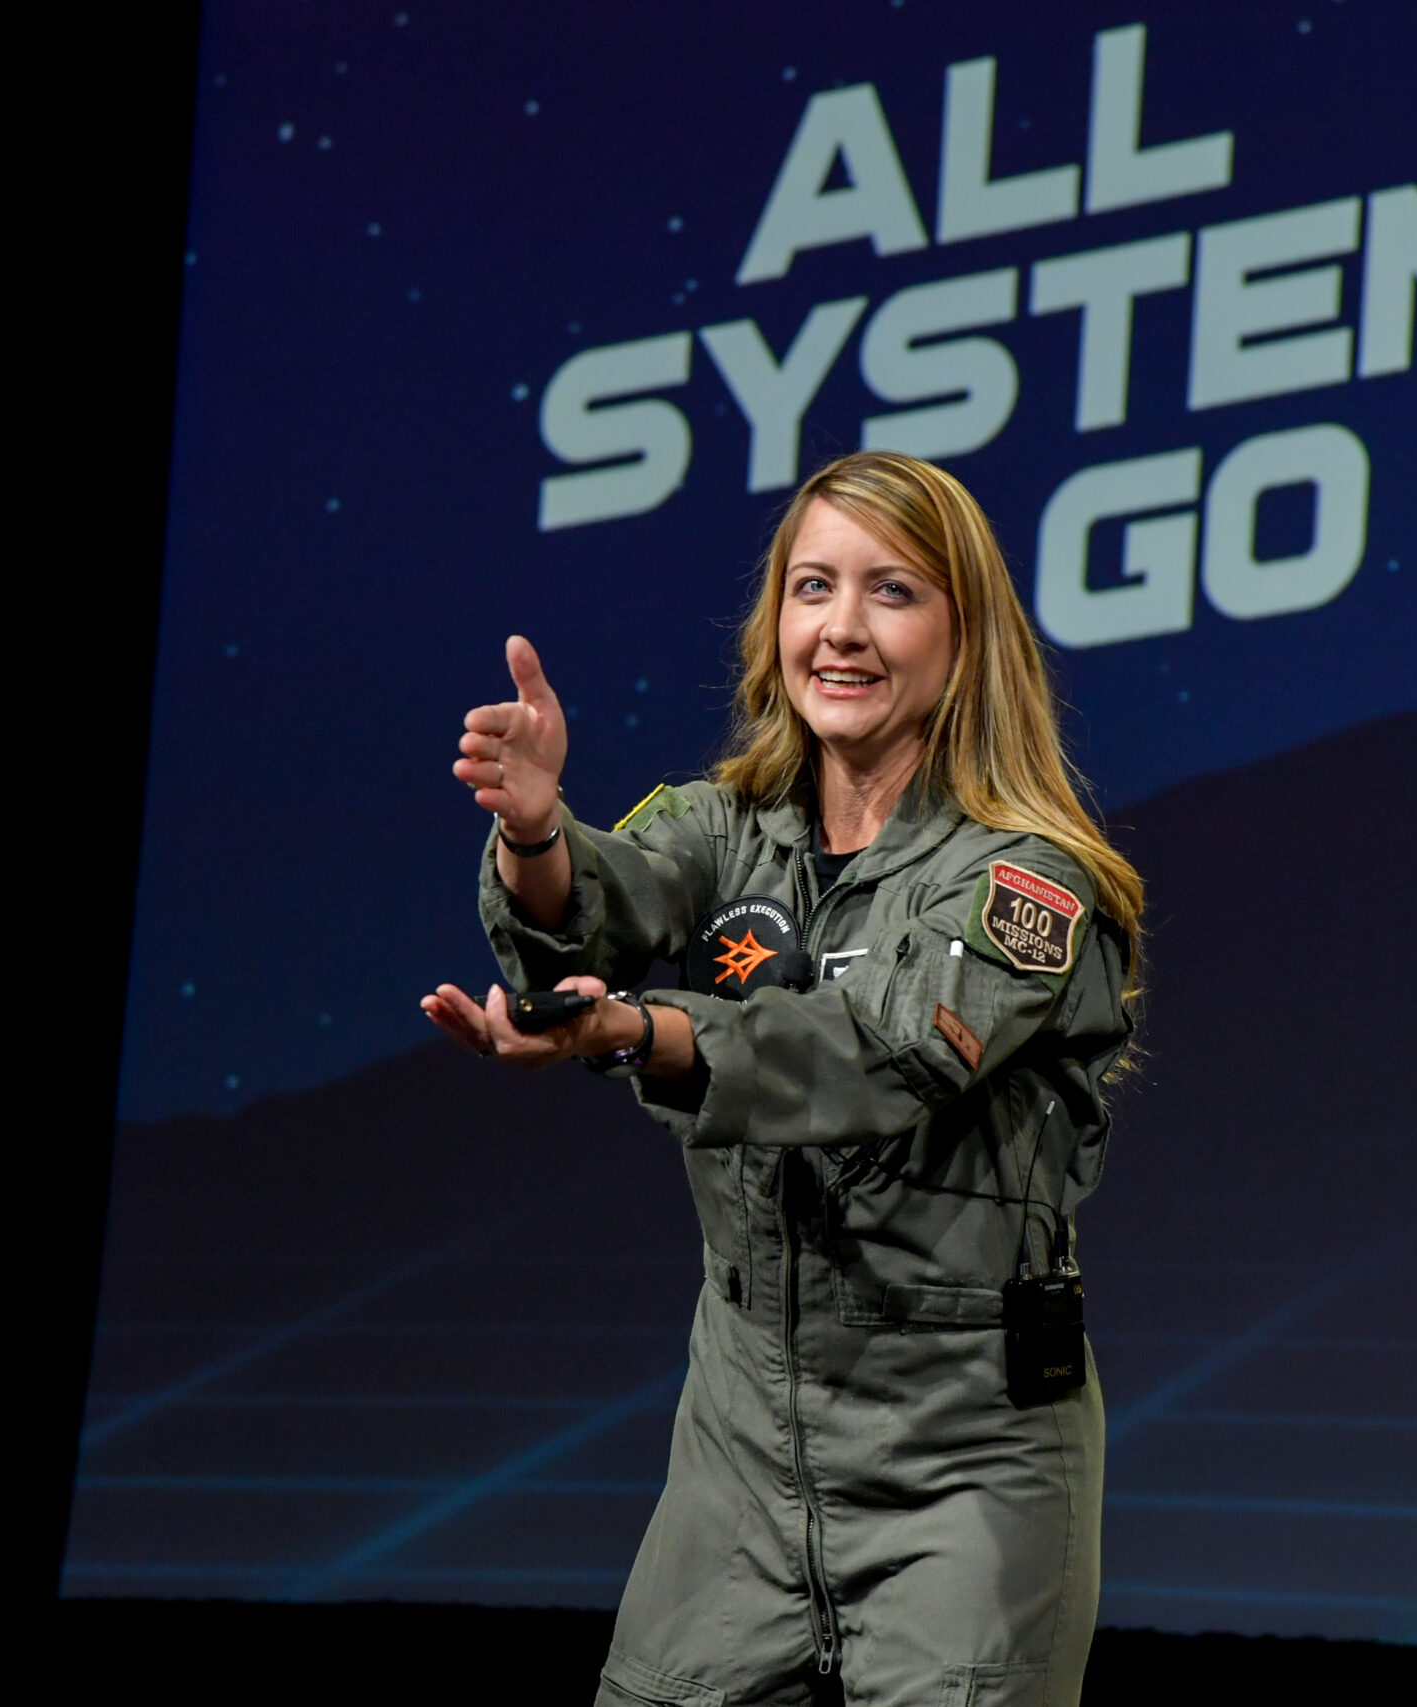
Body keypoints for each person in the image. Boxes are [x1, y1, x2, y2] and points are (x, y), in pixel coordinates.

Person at [421, 451, 1143, 1707]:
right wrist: (536, 831)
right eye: (813, 587)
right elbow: (598, 912)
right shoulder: (726, 824)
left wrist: (643, 1034)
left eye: (892, 592)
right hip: (740, 1449)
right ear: (775, 625)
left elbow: (888, 1050)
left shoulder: (1029, 882)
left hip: (961, 1455)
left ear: (965, 637)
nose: (842, 629)